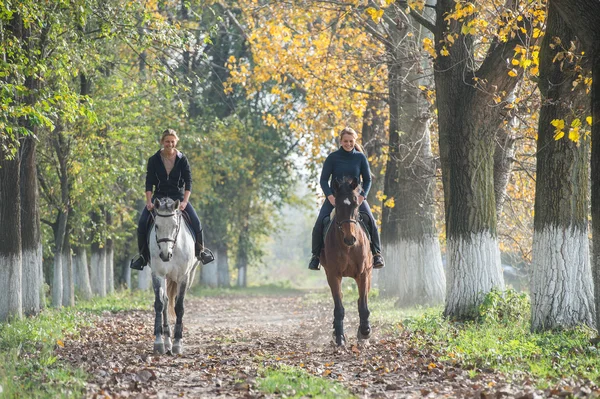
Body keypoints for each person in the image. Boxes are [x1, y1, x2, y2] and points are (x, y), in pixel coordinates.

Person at [308, 127, 385, 271]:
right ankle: (316, 257)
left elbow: (367, 180)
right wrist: (330, 197)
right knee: (319, 223)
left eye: (351, 141)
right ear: (341, 141)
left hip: (356, 199)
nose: (348, 144)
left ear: (354, 141)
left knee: (371, 222)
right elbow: (323, 180)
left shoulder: (360, 157)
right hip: (335, 198)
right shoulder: (332, 157)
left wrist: (363, 196)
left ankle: (376, 254)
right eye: (345, 141)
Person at [130, 129, 207, 270]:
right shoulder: (154, 160)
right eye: (167, 141)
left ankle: (200, 252)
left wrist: (184, 201)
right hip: (158, 198)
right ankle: (142, 257)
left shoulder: (182, 159)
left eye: (172, 141)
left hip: (177, 198)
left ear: (176, 142)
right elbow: (149, 182)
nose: (170, 144)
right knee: (142, 222)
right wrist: (149, 202)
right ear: (162, 142)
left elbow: (188, 182)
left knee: (196, 221)